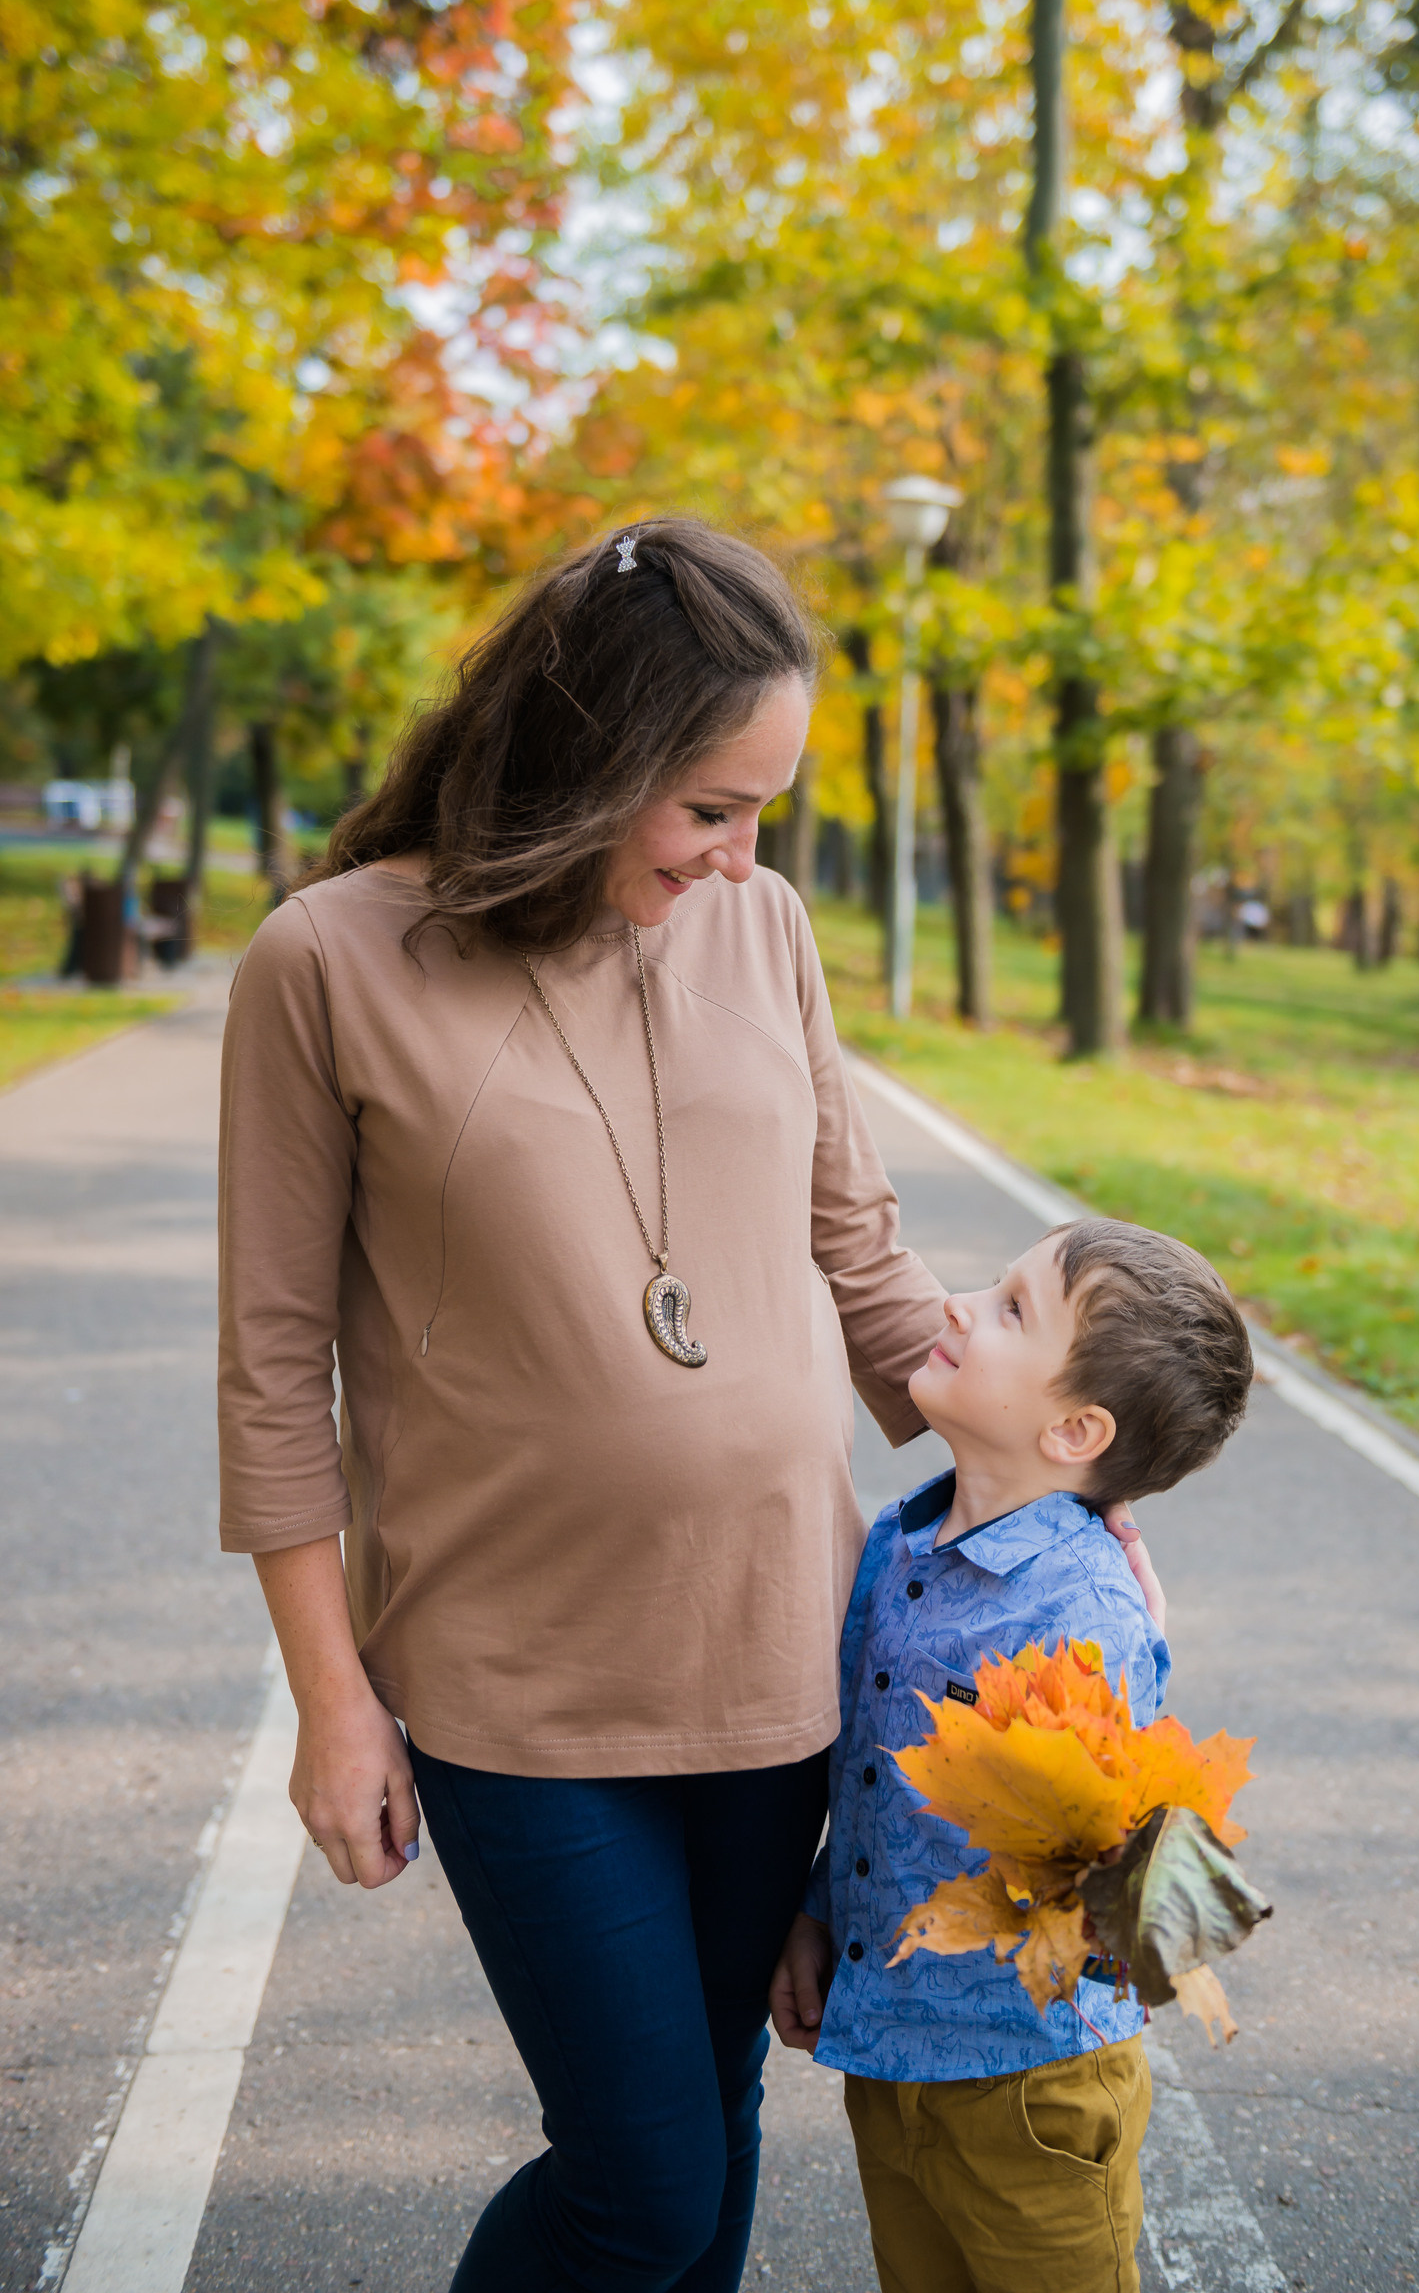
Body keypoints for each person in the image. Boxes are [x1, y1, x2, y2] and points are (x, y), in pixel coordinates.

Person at [216, 517, 1161, 2293]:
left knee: (713, 2125)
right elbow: (273, 1368)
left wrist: (1073, 1516)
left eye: (763, 816)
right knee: (638, 2182)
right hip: (515, 1692)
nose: (740, 858)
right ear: (588, 753)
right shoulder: (328, 965)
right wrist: (332, 1703)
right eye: (708, 809)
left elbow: (862, 1258)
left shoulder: (765, 932)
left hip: (773, 1667)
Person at [768, 1217, 1253, 2293]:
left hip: (1031, 2078)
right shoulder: (900, 1542)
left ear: (1075, 1429)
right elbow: (867, 1783)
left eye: (1010, 1309)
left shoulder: (1082, 1609)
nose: (957, 1303)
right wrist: (815, 1911)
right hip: (891, 2059)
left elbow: (1136, 1886)